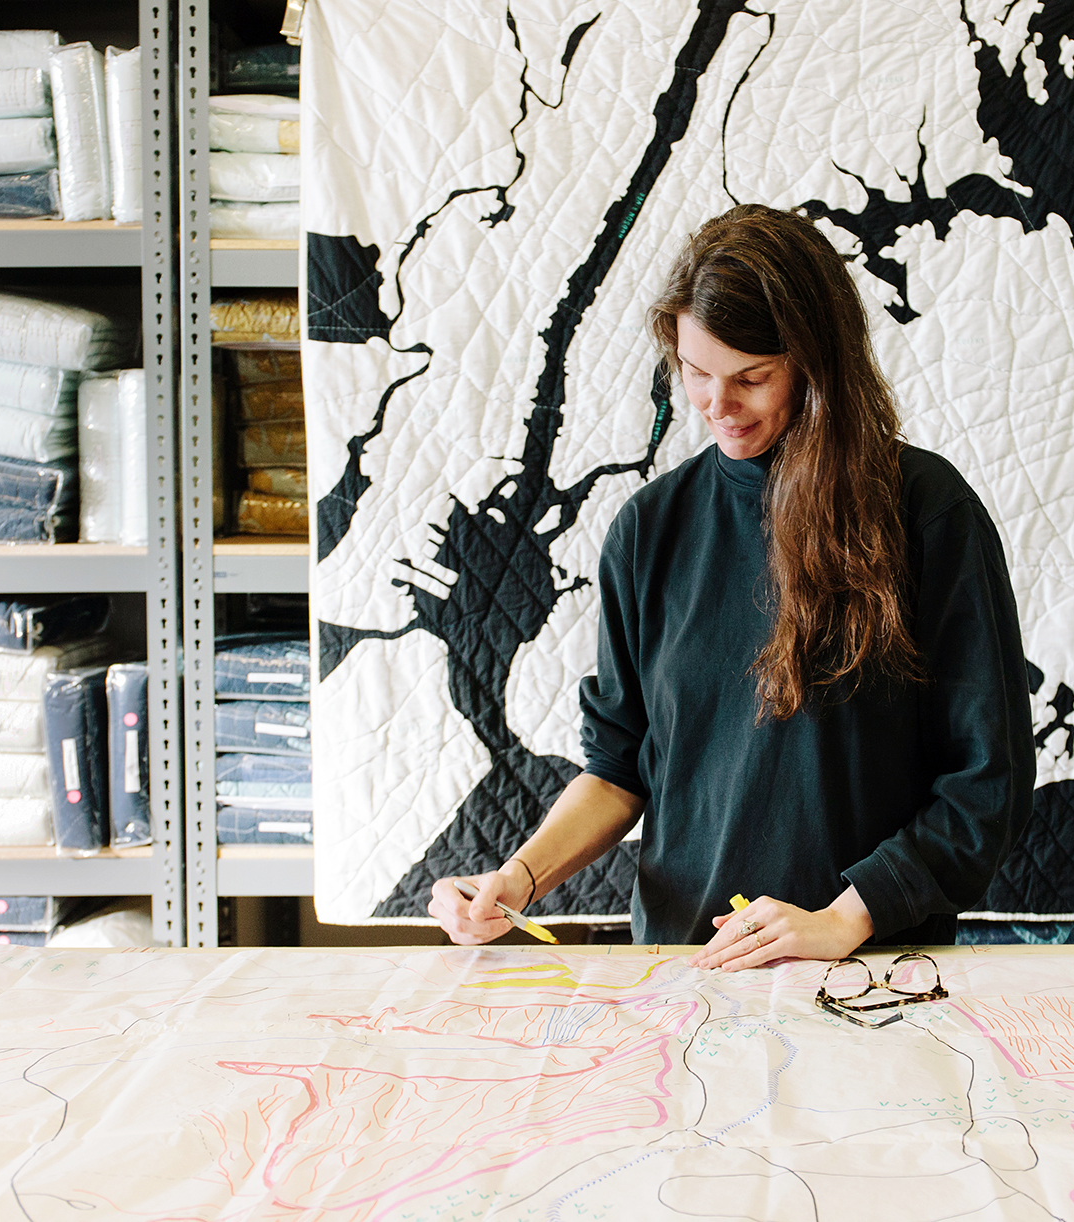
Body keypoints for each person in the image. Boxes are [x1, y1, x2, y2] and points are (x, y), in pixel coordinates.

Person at [428, 204, 1033, 969]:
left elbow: (989, 782)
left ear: (816, 362)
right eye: (696, 373)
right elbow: (617, 768)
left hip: (871, 975)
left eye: (751, 377)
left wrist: (843, 919)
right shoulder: (649, 527)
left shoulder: (926, 509)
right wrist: (513, 881)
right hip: (682, 970)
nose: (717, 405)